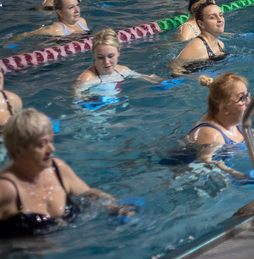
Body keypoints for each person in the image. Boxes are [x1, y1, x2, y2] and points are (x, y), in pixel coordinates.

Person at [0, 108, 131, 236]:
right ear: (18, 150)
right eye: (41, 145)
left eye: (50, 141)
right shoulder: (6, 188)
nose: (51, 149)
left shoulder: (58, 169)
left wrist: (117, 206)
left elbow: (89, 194)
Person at [185, 74, 249, 179]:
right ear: (224, 108)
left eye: (247, 95)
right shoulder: (210, 134)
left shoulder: (234, 122)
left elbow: (253, 136)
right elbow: (205, 161)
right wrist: (235, 174)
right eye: (242, 97)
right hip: (188, 175)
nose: (249, 101)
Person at [72, 29, 155, 92]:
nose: (106, 62)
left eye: (111, 56)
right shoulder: (87, 79)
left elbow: (145, 77)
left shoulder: (122, 70)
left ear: (118, 52)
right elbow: (77, 99)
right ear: (94, 54)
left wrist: (161, 81)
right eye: (100, 57)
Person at [172, 3, 227, 74]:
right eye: (212, 17)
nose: (220, 20)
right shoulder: (198, 46)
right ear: (201, 24)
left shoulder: (220, 44)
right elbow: (174, 68)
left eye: (221, 15)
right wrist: (195, 79)